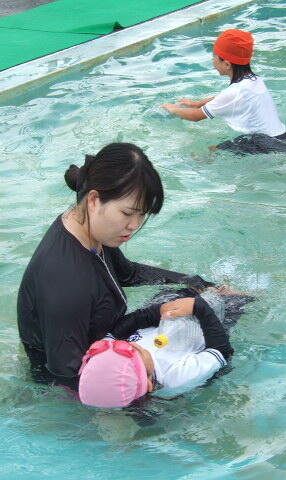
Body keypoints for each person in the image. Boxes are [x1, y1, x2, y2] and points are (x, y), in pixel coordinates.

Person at [17, 143, 213, 391]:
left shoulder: (88, 228)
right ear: (94, 200)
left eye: (142, 215)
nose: (134, 225)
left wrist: (197, 283)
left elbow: (128, 274)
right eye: (128, 213)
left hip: (111, 349)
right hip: (76, 386)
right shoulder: (67, 282)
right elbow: (66, 375)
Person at [78, 290, 238, 408]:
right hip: (207, 325)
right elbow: (222, 351)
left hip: (164, 315)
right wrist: (200, 308)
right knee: (236, 297)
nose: (131, 344)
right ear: (148, 384)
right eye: (136, 351)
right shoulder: (175, 379)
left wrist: (157, 311)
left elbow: (120, 329)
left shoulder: (106, 352)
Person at [160, 29, 286, 155]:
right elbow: (226, 97)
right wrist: (198, 103)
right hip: (284, 137)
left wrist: (172, 109)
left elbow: (195, 117)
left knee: (210, 152)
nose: (213, 61)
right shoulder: (254, 80)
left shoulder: (234, 93)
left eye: (214, 57)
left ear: (226, 64)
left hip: (264, 142)